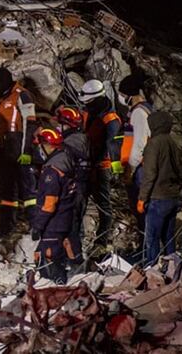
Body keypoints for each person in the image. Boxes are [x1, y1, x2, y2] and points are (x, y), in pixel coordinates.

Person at [0, 67, 38, 235]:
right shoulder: (1, 98)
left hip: (19, 143)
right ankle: (7, 226)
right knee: (7, 189)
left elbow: (30, 122)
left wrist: (26, 150)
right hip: (6, 146)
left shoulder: (22, 94)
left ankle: (36, 225)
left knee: (28, 188)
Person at [30, 126, 79, 284]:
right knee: (62, 256)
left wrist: (38, 225)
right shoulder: (66, 162)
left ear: (46, 145)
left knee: (49, 261)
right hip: (66, 219)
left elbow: (50, 204)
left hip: (54, 223)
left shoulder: (52, 172)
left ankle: (55, 290)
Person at [80, 79, 122, 248]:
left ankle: (102, 240)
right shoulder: (89, 113)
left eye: (89, 102)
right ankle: (78, 237)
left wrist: (116, 168)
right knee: (79, 202)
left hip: (101, 167)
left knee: (103, 205)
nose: (86, 105)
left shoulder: (111, 119)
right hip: (86, 165)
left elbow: (113, 144)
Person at [137, 110, 181, 266]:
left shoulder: (154, 144)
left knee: (152, 238)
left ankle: (152, 270)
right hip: (173, 196)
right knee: (169, 237)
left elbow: (149, 175)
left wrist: (142, 199)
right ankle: (173, 268)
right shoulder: (173, 142)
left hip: (158, 197)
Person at [55, 104, 91, 266]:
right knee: (76, 224)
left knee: (70, 225)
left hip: (74, 187)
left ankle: (74, 262)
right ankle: (76, 258)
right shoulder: (81, 138)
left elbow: (64, 165)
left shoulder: (70, 142)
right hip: (82, 186)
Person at [118, 74, 154, 233]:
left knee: (141, 209)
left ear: (130, 95)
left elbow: (140, 144)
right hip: (141, 166)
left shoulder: (139, 113)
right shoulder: (145, 108)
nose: (121, 97)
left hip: (139, 168)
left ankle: (145, 248)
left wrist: (130, 169)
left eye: (123, 94)